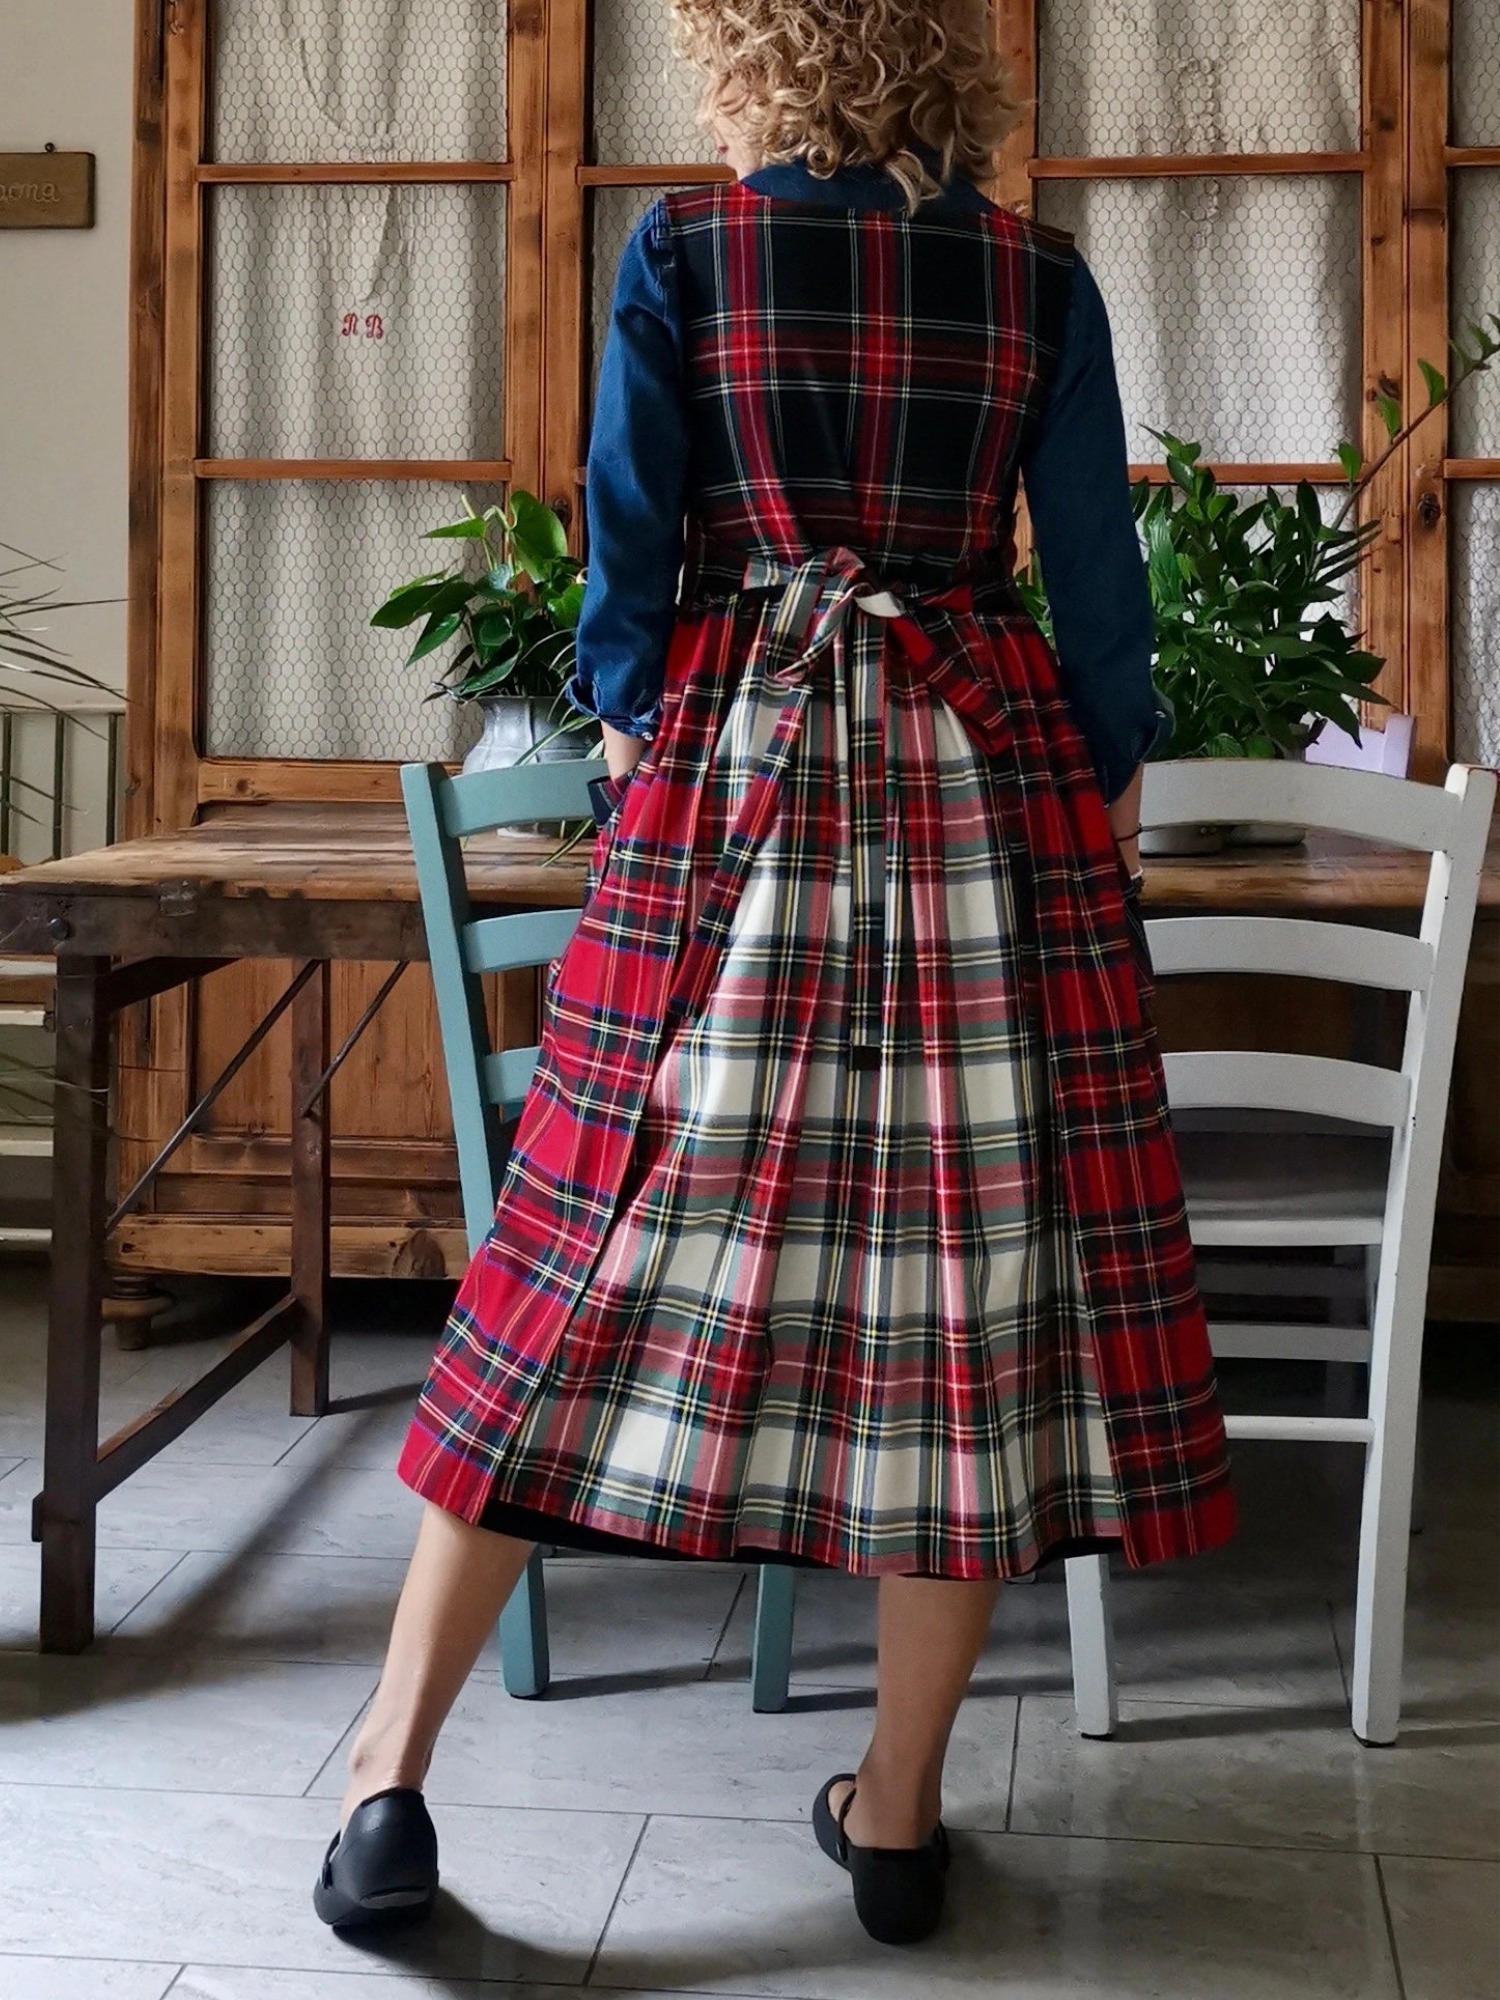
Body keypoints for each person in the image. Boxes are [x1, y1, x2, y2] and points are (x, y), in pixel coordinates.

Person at [314, 0, 1236, 1950]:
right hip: (981, 791)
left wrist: (650, 737)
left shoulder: (686, 247)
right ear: (949, 57)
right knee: (965, 1304)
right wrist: (1091, 802)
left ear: (744, 53)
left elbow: (628, 555)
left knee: (576, 1260)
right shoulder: (1037, 276)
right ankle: (893, 1817)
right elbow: (1102, 600)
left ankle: (389, 1779)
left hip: (740, 783)